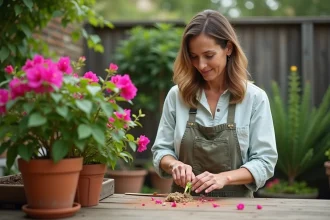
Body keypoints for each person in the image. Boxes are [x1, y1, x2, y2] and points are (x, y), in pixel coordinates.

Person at [151, 9, 278, 197]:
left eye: (208, 55)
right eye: (193, 56)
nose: (201, 65)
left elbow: (265, 162)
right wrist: (174, 164)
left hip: (237, 210)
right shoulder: (177, 96)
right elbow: (161, 151)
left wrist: (224, 178)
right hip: (183, 207)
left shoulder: (255, 98)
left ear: (228, 48)